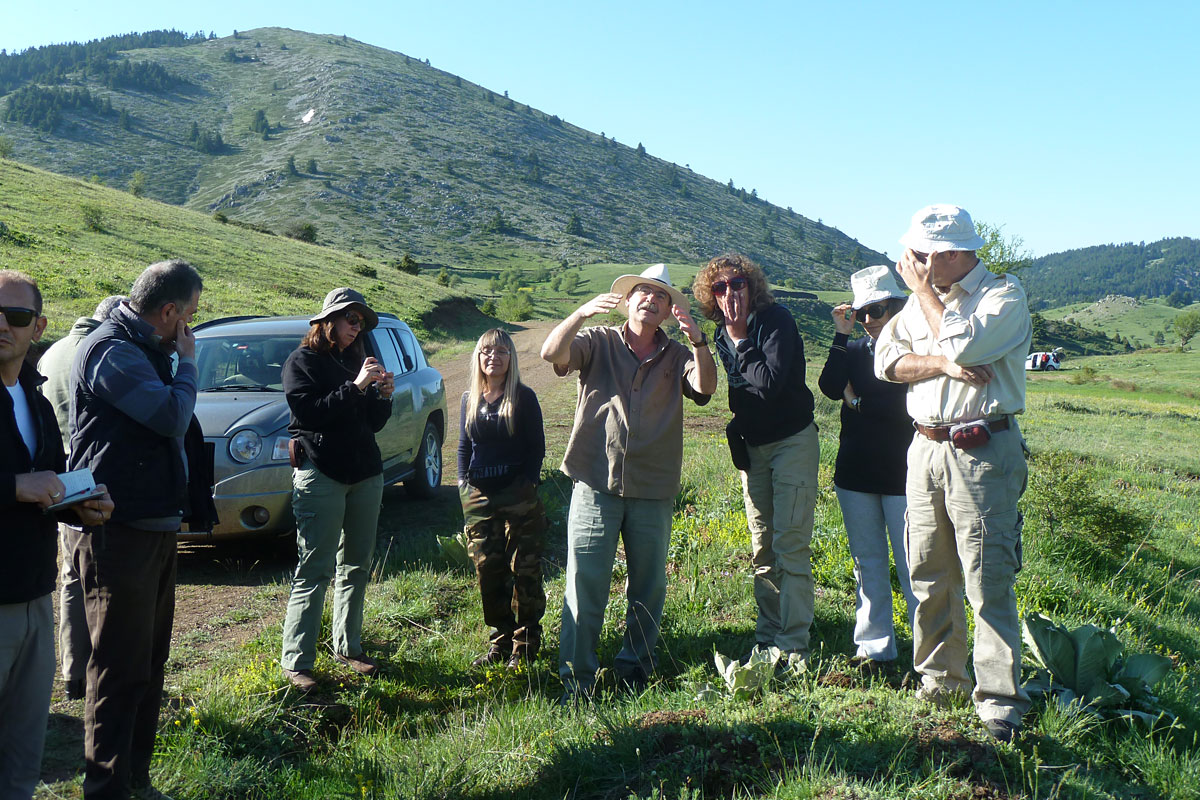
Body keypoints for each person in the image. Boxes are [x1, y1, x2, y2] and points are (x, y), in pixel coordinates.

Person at [874, 205, 1032, 743]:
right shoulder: (923, 304)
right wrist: (941, 364)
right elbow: (887, 363)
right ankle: (941, 679)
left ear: (949, 255)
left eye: (919, 256)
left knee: (987, 574)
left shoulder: (1002, 297)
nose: (909, 265)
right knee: (927, 570)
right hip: (925, 447)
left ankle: (998, 700)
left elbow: (966, 343)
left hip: (982, 449)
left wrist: (927, 303)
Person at [69, 259, 216, 800]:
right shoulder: (113, 351)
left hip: (153, 526)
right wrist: (189, 364)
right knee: (116, 668)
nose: (191, 329)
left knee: (148, 665)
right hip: (117, 531)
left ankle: (137, 781)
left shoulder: (146, 350)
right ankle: (106, 788)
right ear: (171, 311)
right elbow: (171, 417)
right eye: (190, 316)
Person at [541, 263, 715, 699]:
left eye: (661, 296)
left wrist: (697, 338)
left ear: (669, 308)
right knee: (585, 584)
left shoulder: (677, 355)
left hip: (653, 488)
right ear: (628, 299)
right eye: (643, 292)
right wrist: (581, 313)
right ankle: (578, 681)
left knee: (649, 586)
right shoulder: (598, 342)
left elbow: (706, 387)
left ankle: (634, 668)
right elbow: (551, 353)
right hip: (595, 483)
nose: (651, 300)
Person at [0, 271, 112, 800]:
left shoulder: (35, 400)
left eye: (16, 316)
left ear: (37, 326)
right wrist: (14, 485)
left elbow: (47, 487)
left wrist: (80, 507)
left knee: (24, 749)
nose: (3, 325)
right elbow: (23, 486)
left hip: (35, 597)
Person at [692, 254, 819, 659]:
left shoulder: (775, 321)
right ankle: (768, 636)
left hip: (792, 442)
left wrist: (742, 338)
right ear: (712, 295)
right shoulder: (719, 336)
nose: (730, 292)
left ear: (753, 286)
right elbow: (735, 391)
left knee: (791, 544)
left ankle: (794, 643)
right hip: (754, 449)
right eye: (720, 287)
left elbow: (768, 385)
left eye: (738, 283)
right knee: (762, 545)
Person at [280, 288, 394, 692]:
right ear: (327, 321)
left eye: (360, 321)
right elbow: (311, 414)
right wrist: (357, 386)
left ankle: (349, 646)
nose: (355, 326)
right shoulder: (302, 363)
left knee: (357, 566)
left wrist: (382, 396)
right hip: (322, 474)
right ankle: (297, 661)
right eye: (350, 318)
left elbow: (373, 424)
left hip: (365, 473)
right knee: (315, 568)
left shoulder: (356, 362)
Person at [818, 265, 916, 667]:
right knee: (867, 561)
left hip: (906, 474)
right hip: (856, 471)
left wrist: (857, 402)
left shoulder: (915, 351)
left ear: (897, 307)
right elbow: (827, 386)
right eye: (863, 313)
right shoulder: (856, 350)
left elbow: (904, 409)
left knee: (916, 567)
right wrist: (842, 334)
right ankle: (875, 649)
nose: (871, 320)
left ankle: (930, 657)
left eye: (878, 310)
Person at [36, 294, 125, 701]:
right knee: (97, 573)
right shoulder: (102, 354)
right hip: (88, 475)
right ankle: (98, 673)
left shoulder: (51, 351)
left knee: (71, 573)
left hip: (52, 472)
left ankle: (72, 671)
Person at [457, 329, 547, 669]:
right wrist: (463, 485)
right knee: (488, 571)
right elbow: (464, 447)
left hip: (518, 497)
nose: (493, 357)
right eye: (486, 351)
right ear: (478, 358)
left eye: (501, 351)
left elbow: (536, 448)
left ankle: (525, 645)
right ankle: (499, 640)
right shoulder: (470, 398)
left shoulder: (524, 397)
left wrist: (527, 485)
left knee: (523, 568)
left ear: (511, 358)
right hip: (479, 498)